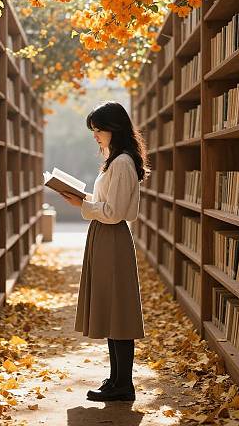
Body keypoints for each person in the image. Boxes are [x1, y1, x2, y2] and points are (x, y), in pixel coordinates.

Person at [60, 101, 150, 402]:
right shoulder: (116, 160)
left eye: (97, 130)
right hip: (105, 237)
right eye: (93, 131)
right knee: (113, 311)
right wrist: (81, 197)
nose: (95, 135)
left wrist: (81, 205)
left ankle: (123, 384)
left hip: (111, 237)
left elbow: (113, 212)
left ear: (113, 129)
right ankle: (115, 380)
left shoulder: (123, 163)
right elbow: (108, 203)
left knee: (119, 313)